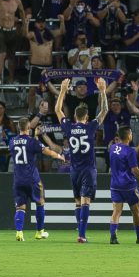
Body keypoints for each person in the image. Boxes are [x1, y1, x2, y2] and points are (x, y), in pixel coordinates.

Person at [54, 77, 108, 243]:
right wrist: (103, 91)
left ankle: (80, 231)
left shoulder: (69, 127)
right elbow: (104, 110)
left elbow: (57, 110)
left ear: (76, 116)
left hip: (74, 169)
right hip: (88, 169)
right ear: (87, 117)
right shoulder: (91, 126)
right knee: (85, 201)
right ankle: (82, 235)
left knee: (78, 202)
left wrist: (63, 90)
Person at [10, 117, 66, 241]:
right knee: (40, 203)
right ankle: (40, 232)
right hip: (32, 178)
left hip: (18, 179)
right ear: (28, 128)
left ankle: (19, 233)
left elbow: (27, 148)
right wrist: (59, 156)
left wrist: (34, 138)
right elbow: (47, 151)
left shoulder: (12, 141)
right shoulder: (32, 142)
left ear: (19, 128)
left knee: (20, 207)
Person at [107, 126, 139, 245]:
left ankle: (113, 237)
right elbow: (135, 170)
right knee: (136, 211)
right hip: (129, 186)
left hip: (115, 185)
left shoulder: (112, 148)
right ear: (128, 136)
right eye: (131, 133)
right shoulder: (130, 151)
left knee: (116, 211)